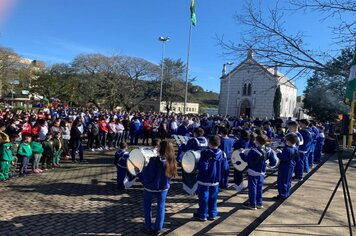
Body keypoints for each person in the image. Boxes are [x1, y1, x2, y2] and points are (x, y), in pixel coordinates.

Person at [137, 140, 177, 235]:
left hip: (150, 187)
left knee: (147, 207)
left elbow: (147, 177)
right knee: (161, 207)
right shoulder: (172, 161)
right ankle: (158, 228)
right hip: (163, 188)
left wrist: (139, 174)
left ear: (160, 148)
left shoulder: (153, 161)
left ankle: (148, 227)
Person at [193, 135, 228, 221]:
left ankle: (202, 214)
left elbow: (203, 166)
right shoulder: (222, 153)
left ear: (209, 143)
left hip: (204, 179)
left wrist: (196, 166)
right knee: (213, 197)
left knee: (203, 197)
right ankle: (212, 214)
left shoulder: (205, 153)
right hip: (216, 179)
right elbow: (226, 167)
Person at [241, 135, 276, 210]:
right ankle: (259, 203)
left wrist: (241, 154)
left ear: (257, 141)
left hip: (253, 171)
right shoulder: (269, 150)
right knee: (260, 188)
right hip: (262, 172)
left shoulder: (253, 151)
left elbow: (247, 159)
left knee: (252, 188)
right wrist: (269, 165)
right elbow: (273, 162)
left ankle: (252, 204)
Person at [274, 133, 299, 200]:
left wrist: (278, 152)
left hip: (285, 166)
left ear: (288, 141)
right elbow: (297, 158)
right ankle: (286, 193)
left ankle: (282, 195)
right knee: (288, 180)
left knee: (282, 181)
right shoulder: (295, 149)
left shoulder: (286, 149)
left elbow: (283, 158)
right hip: (291, 165)